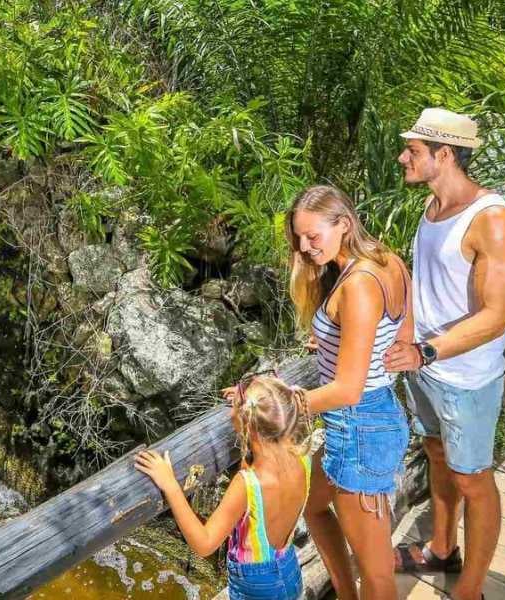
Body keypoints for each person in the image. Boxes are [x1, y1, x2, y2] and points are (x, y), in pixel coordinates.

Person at [383, 108, 505, 600]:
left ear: (443, 156)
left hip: (465, 377)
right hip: (427, 366)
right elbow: (427, 289)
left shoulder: (495, 221)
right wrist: (401, 334)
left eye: (413, 151)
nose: (403, 157)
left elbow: (496, 315)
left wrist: (426, 350)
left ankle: (470, 589)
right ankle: (442, 549)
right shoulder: (432, 207)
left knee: (473, 479)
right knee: (438, 455)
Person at [288, 184, 411, 600]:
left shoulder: (357, 283)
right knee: (312, 502)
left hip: (359, 426)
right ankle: (344, 594)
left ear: (343, 224)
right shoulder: (388, 260)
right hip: (373, 416)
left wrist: (280, 400)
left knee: (376, 574)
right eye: (299, 238)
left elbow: (348, 388)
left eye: (313, 236)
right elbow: (400, 339)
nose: (304, 247)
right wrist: (338, 342)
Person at [135, 375, 313, 600]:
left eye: (237, 406)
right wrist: (255, 402)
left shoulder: (247, 484)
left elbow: (204, 543)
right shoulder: (301, 458)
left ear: (247, 423)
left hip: (257, 589)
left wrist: (170, 485)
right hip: (289, 571)